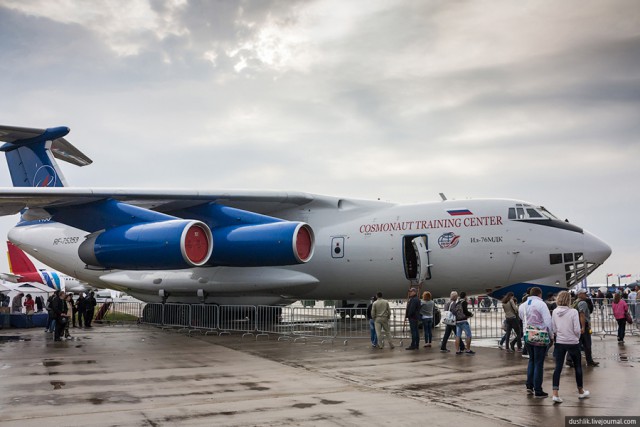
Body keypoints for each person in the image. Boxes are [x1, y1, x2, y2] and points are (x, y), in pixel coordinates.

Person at [551, 291, 589, 403]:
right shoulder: (573, 312)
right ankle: (580, 391)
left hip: (560, 341)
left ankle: (555, 393)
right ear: (569, 300)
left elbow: (553, 328)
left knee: (558, 367)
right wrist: (577, 337)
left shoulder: (554, 311)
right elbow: (577, 329)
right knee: (577, 366)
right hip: (572, 341)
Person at [519, 286, 552, 398]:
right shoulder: (541, 304)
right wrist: (551, 335)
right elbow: (548, 321)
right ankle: (538, 389)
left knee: (532, 360)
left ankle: (529, 385)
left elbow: (522, 318)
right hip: (540, 334)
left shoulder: (523, 305)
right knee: (539, 362)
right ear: (540, 294)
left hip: (528, 334)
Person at [575, 289, 599, 367]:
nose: (586, 295)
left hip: (578, 325)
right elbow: (582, 315)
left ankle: (569, 359)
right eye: (584, 293)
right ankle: (589, 361)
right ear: (580, 294)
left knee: (577, 343)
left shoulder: (575, 302)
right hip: (583, 325)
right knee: (587, 344)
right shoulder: (583, 303)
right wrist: (583, 327)